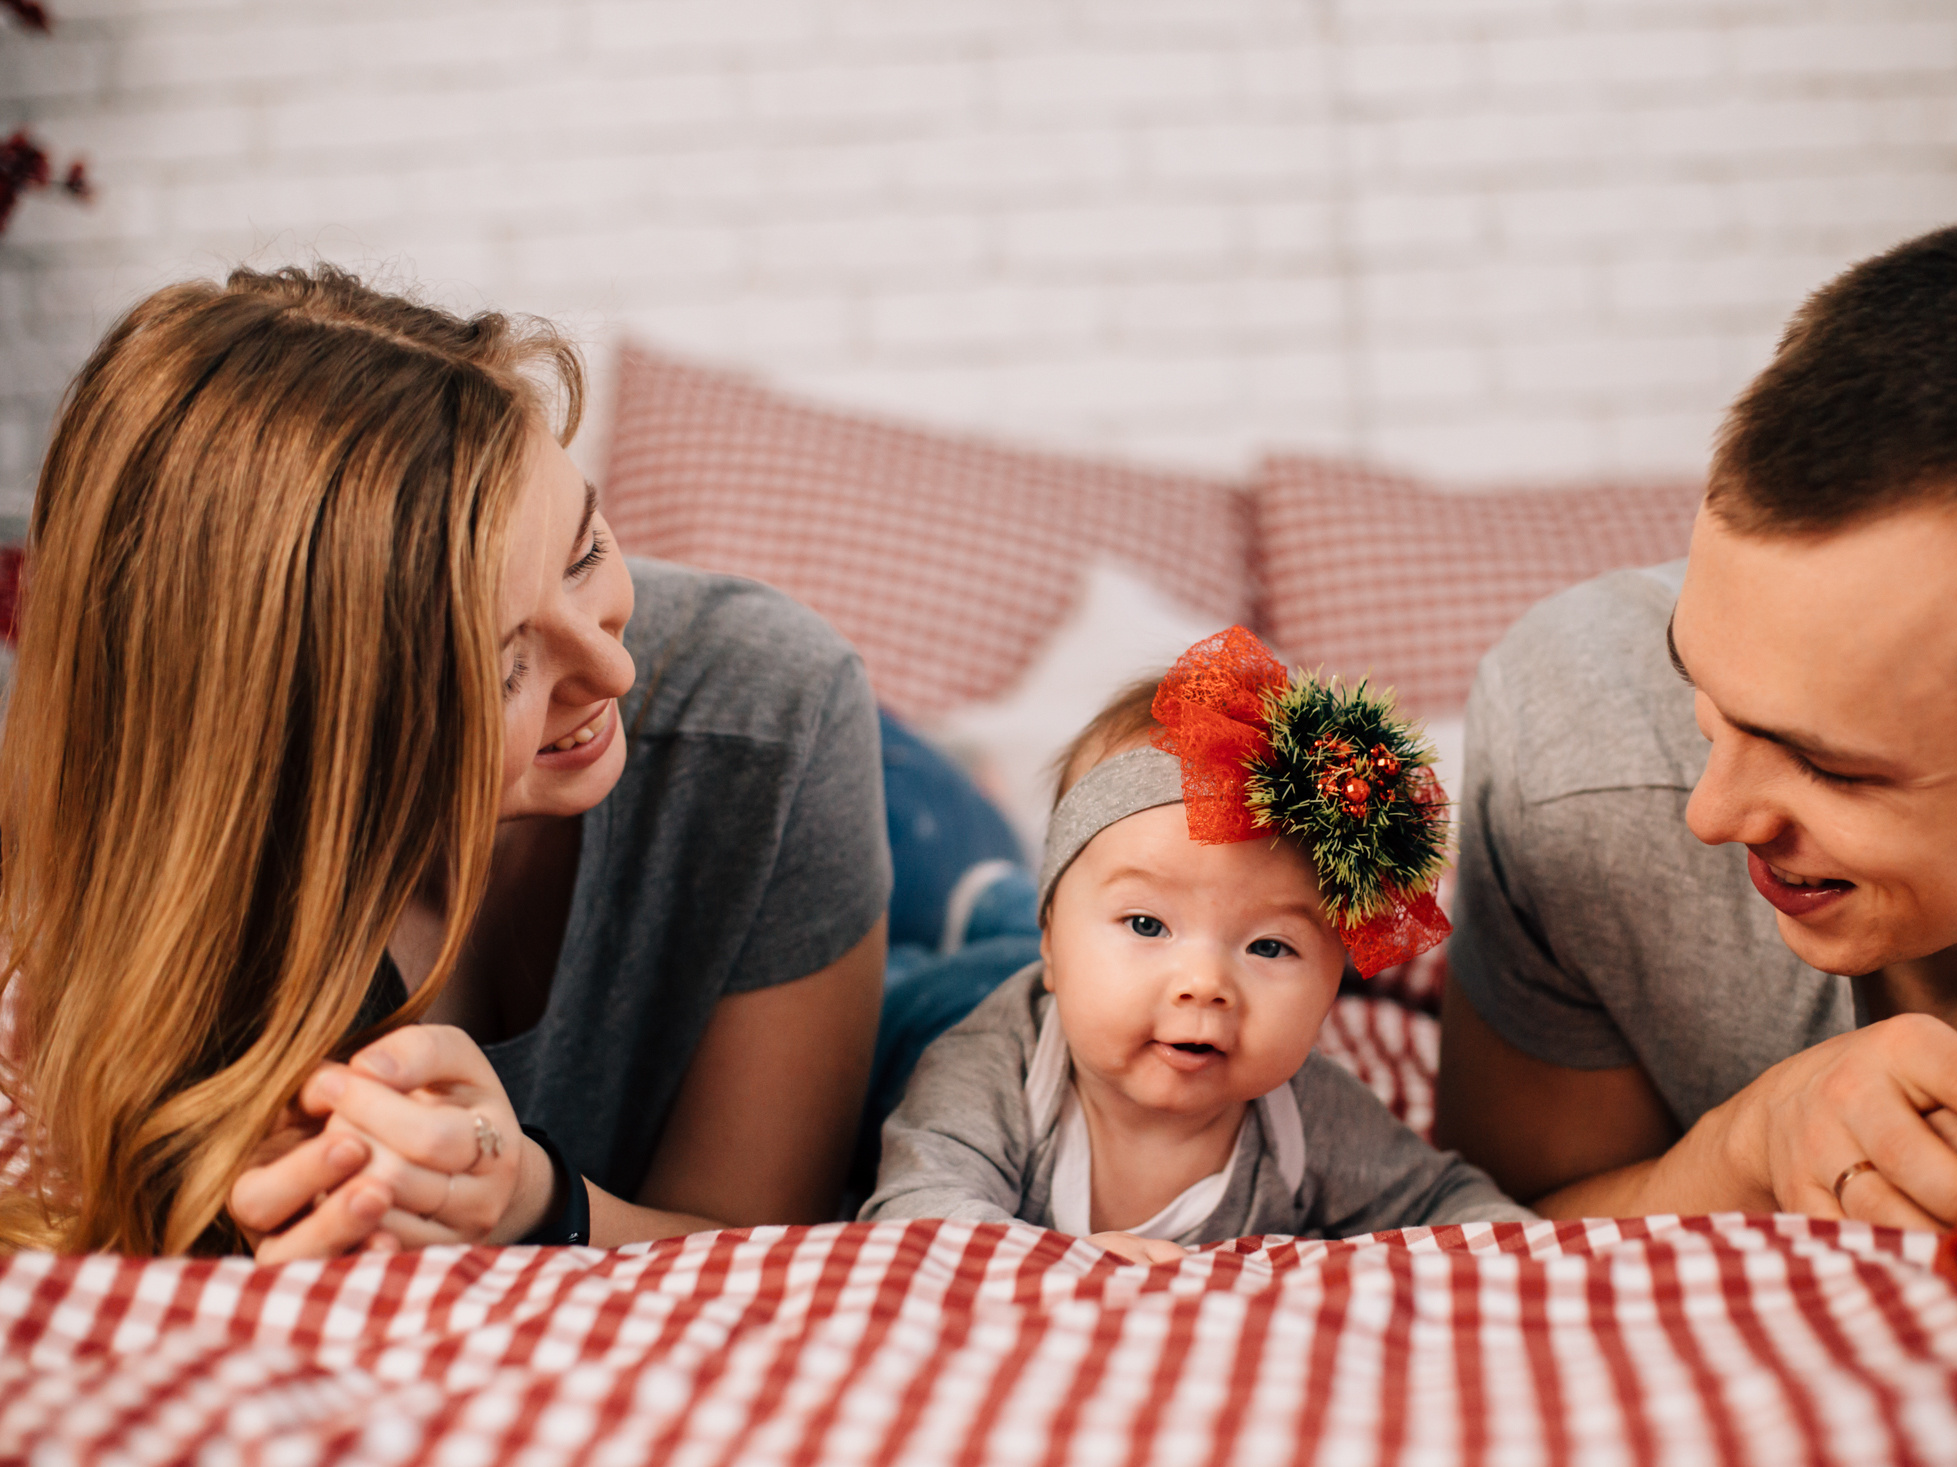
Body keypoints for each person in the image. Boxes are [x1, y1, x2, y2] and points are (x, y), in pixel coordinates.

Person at [0, 265, 889, 1257]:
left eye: (585, 552)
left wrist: (537, 1199)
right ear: (306, 735)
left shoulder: (774, 712)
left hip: (838, 770)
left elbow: (760, 1242)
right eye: (503, 666)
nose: (612, 669)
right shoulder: (176, 879)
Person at [1437, 215, 1957, 1231]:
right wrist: (1748, 1148)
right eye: (1697, 682)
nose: (1711, 814)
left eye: (1830, 767)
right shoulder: (1584, 728)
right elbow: (1499, 1221)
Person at [864, 632, 1532, 1263]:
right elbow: (916, 1210)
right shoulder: (993, 1068)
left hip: (1051, 942)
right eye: (1148, 924)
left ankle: (1018, 907)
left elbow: (1443, 1200)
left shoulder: (1307, 1116)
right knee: (895, 976)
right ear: (1055, 939)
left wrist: (1539, 1249)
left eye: (1270, 945)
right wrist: (1063, 1259)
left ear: (1337, 978)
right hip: (940, 1002)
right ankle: (991, 902)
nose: (1204, 982)